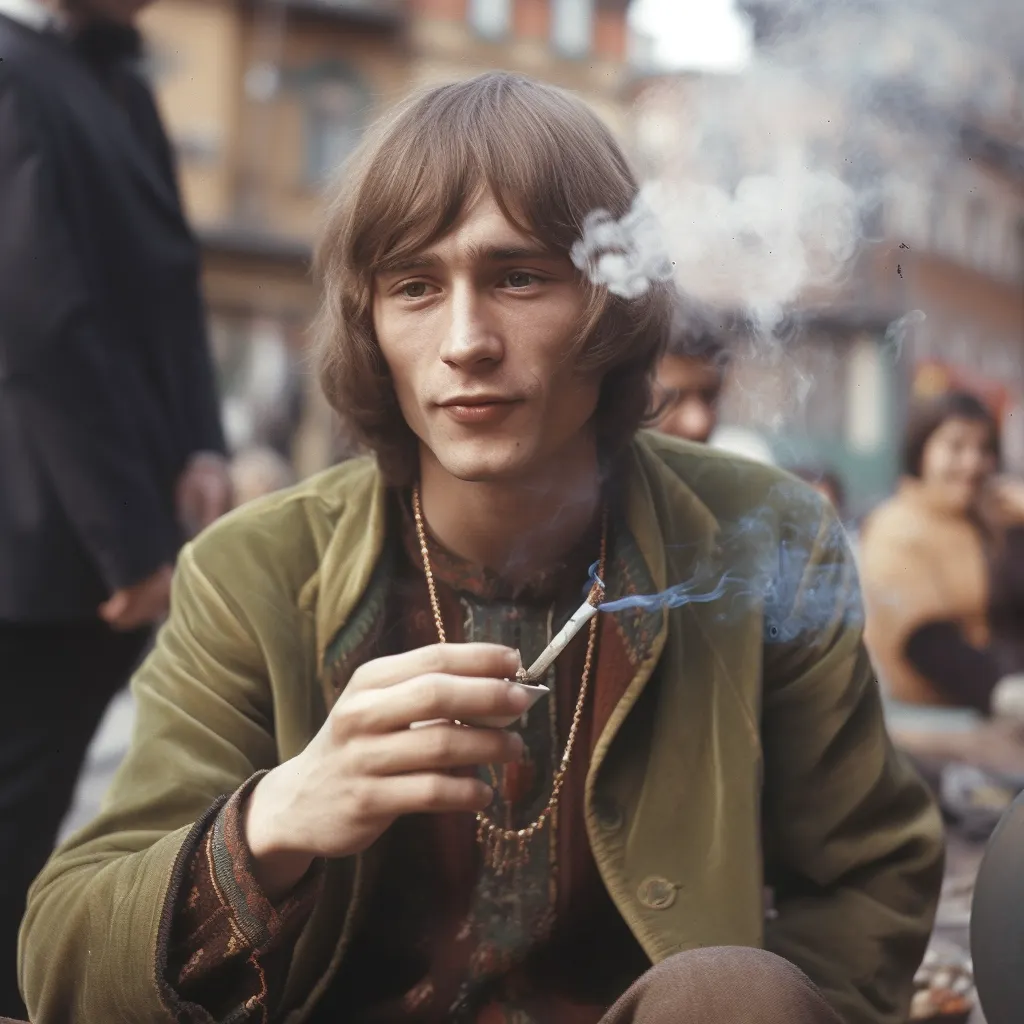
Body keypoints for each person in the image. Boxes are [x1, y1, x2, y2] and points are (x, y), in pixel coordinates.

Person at [21, 72, 942, 1024]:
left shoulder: (768, 536)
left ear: (611, 300)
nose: (466, 341)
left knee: (732, 992)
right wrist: (271, 823)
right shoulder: (253, 569)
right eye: (415, 287)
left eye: (518, 277)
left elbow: (871, 875)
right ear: (371, 327)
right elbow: (65, 961)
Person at [0, 0, 229, 1015]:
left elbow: (173, 290)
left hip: (113, 534)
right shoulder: (10, 71)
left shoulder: (122, 86)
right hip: (49, 545)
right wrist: (128, 543)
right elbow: (38, 320)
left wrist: (203, 442)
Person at [859, 390, 1024, 715]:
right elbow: (923, 639)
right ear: (921, 450)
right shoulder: (896, 527)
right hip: (937, 718)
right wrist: (1004, 690)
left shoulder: (992, 518)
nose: (972, 463)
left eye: (984, 449)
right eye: (956, 447)